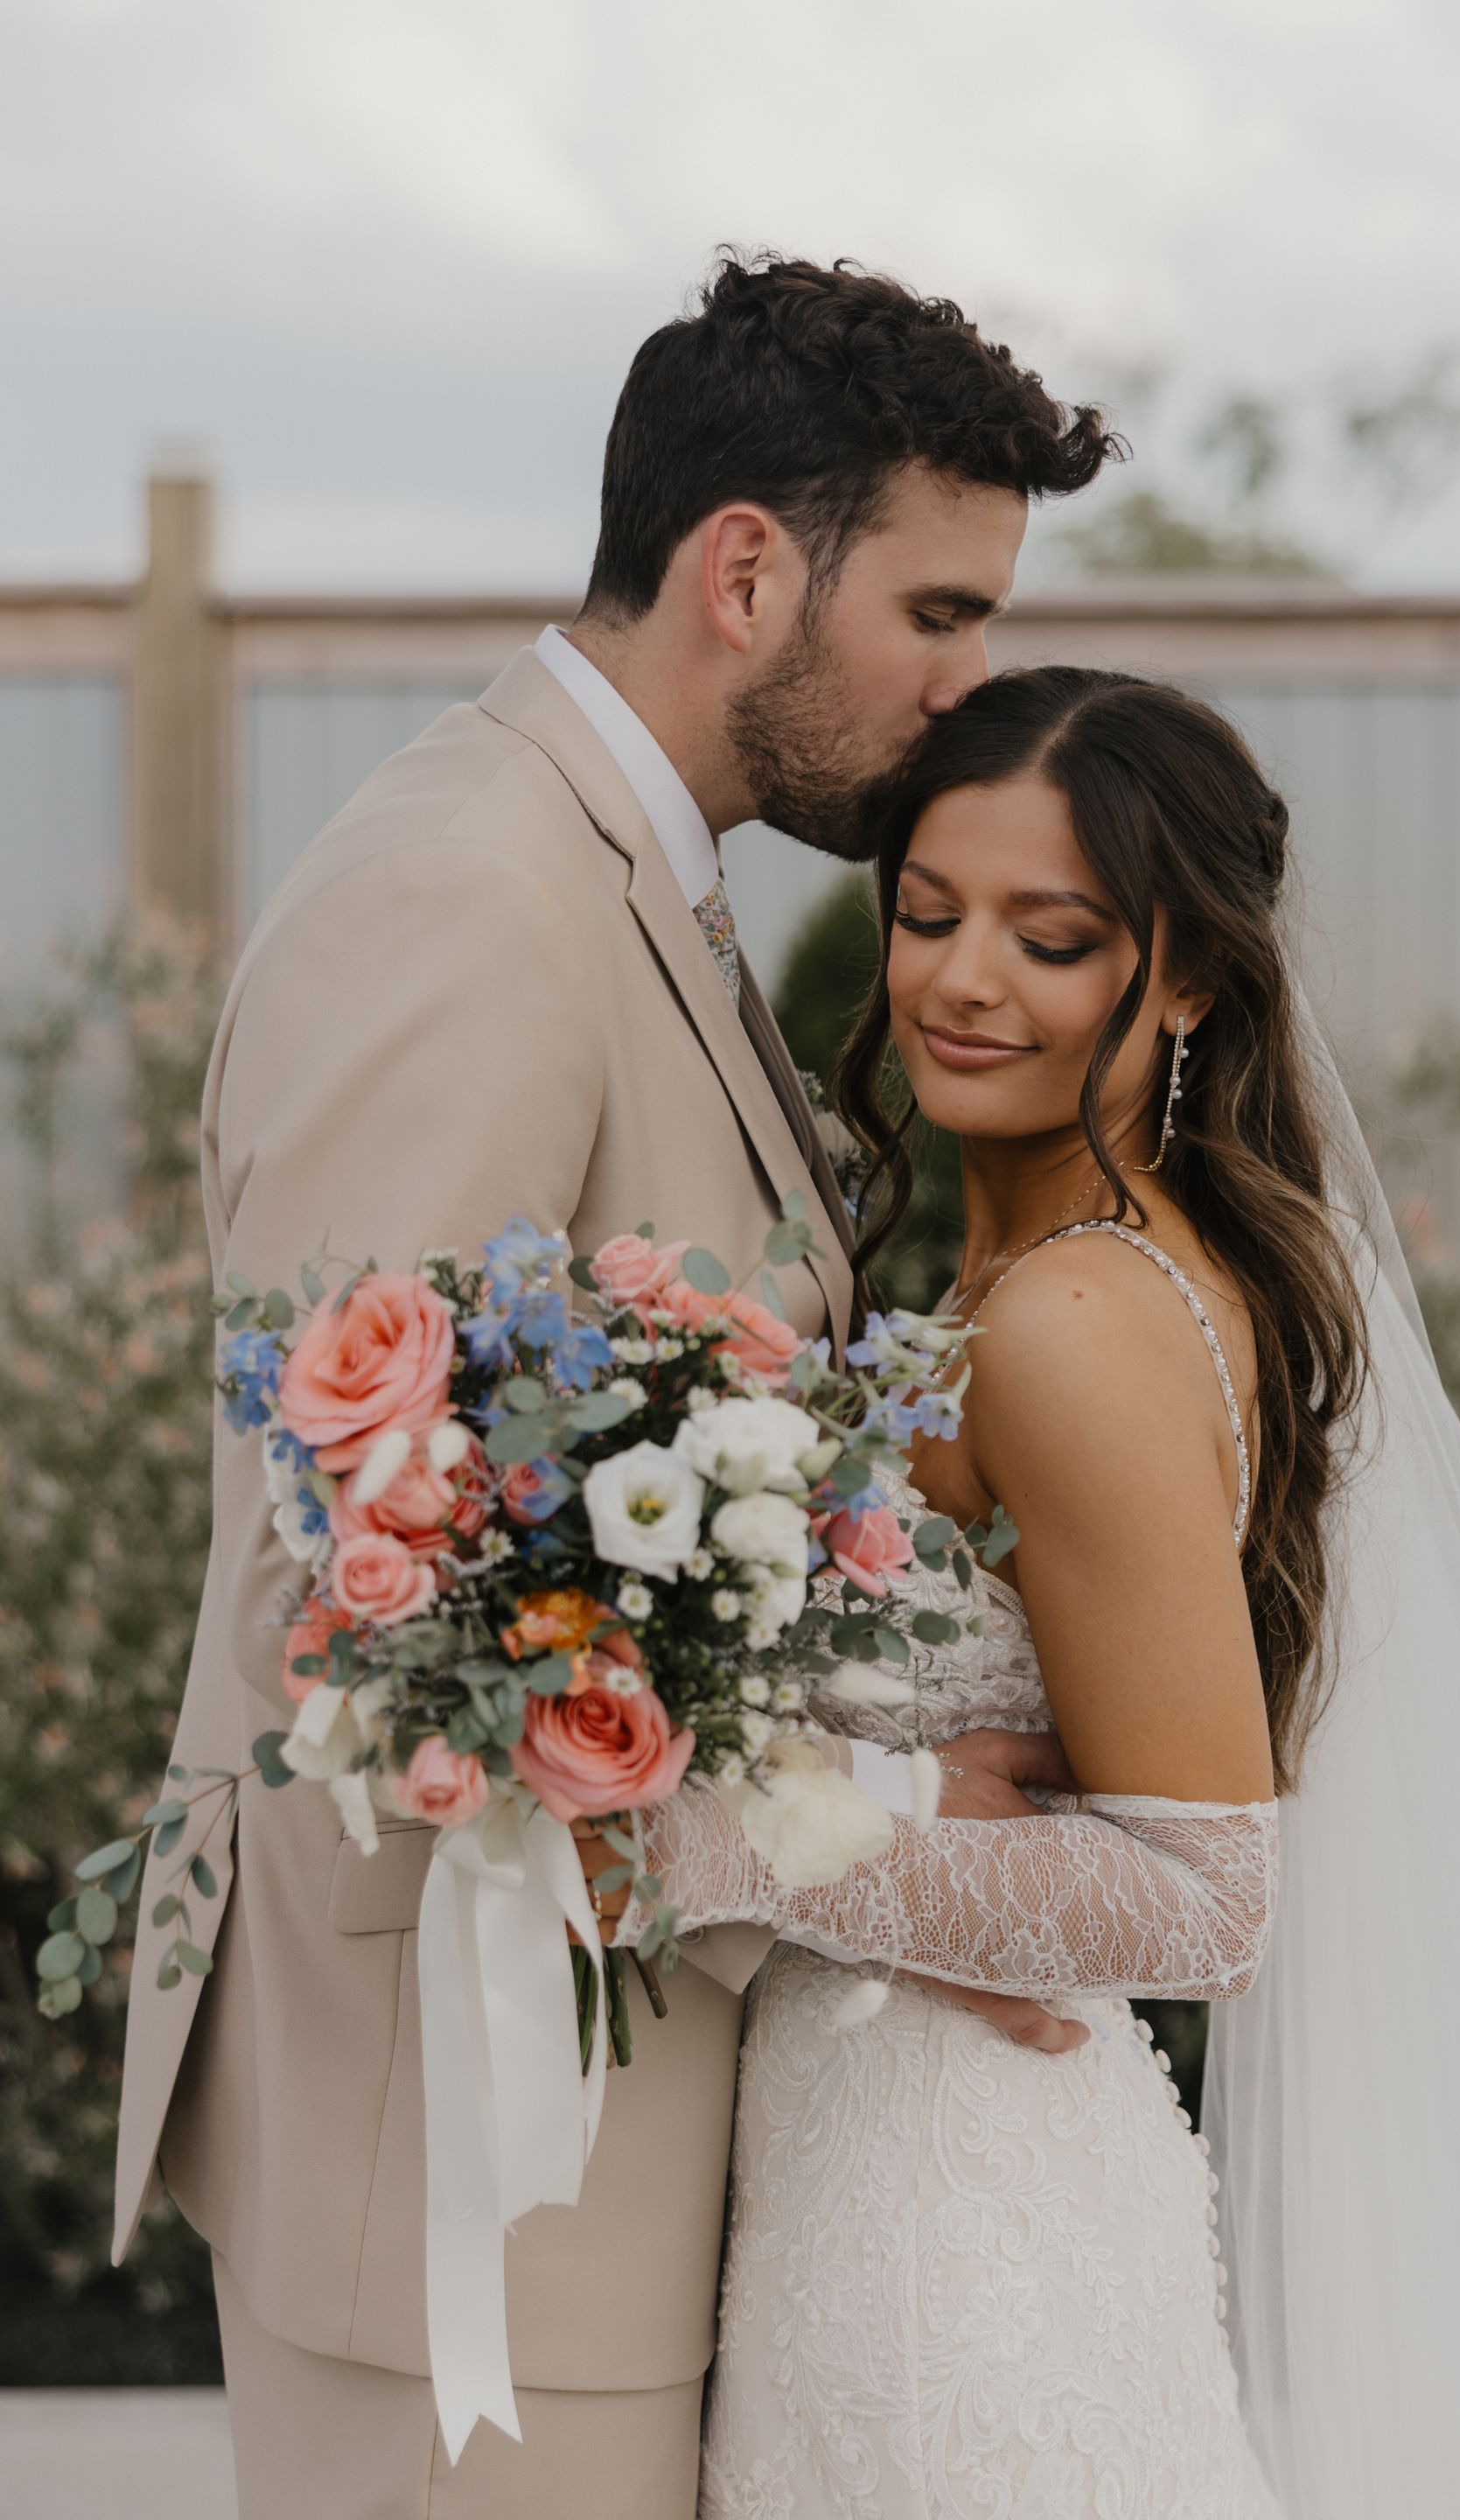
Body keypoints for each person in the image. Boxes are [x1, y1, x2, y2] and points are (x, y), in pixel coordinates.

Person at [111, 259, 1120, 2519]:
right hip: (469, 2205)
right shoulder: (471, 897)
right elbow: (384, 1611)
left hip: (598, 2151)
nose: (976, 688)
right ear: (746, 571)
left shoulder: (643, 891)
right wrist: (901, 1841)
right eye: (940, 615)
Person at [629, 667, 1460, 2518]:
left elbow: (1204, 1893)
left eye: (1051, 940)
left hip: (956, 2248)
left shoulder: (1072, 1327)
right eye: (929, 914)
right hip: (889, 2176)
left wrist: (718, 1837)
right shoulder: (1040, 1267)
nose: (961, 983)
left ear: (1187, 976)